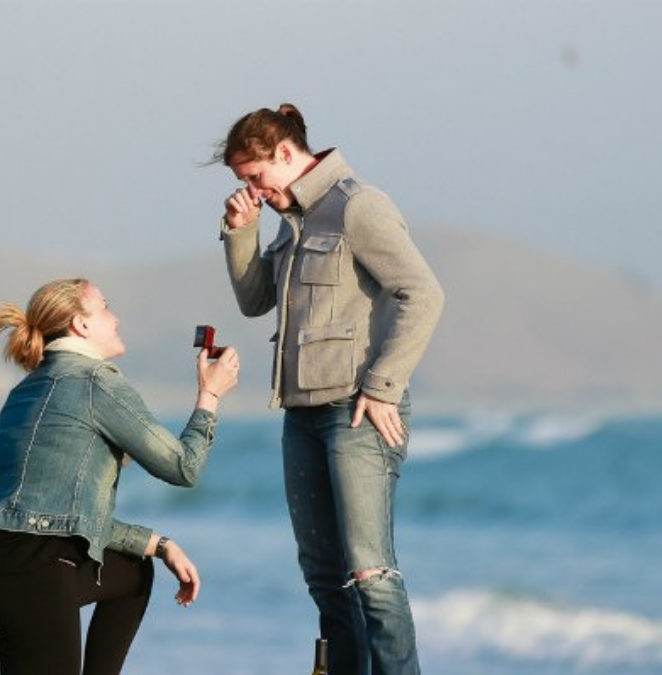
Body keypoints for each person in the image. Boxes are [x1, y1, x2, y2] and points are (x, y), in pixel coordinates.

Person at [212, 104, 444, 675]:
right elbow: (254, 299)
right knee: (323, 574)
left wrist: (384, 387)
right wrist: (242, 232)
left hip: (358, 414)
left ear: (285, 154)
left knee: (371, 574)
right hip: (301, 416)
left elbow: (424, 294)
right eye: (243, 182)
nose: (253, 190)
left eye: (255, 177)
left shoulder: (358, 206)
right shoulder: (295, 221)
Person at [0, 277, 241, 675]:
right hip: (32, 565)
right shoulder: (95, 383)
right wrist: (210, 396)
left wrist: (157, 544)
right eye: (105, 307)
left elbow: (61, 511)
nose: (116, 316)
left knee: (131, 570)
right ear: (81, 325)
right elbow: (183, 467)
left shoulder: (28, 387)